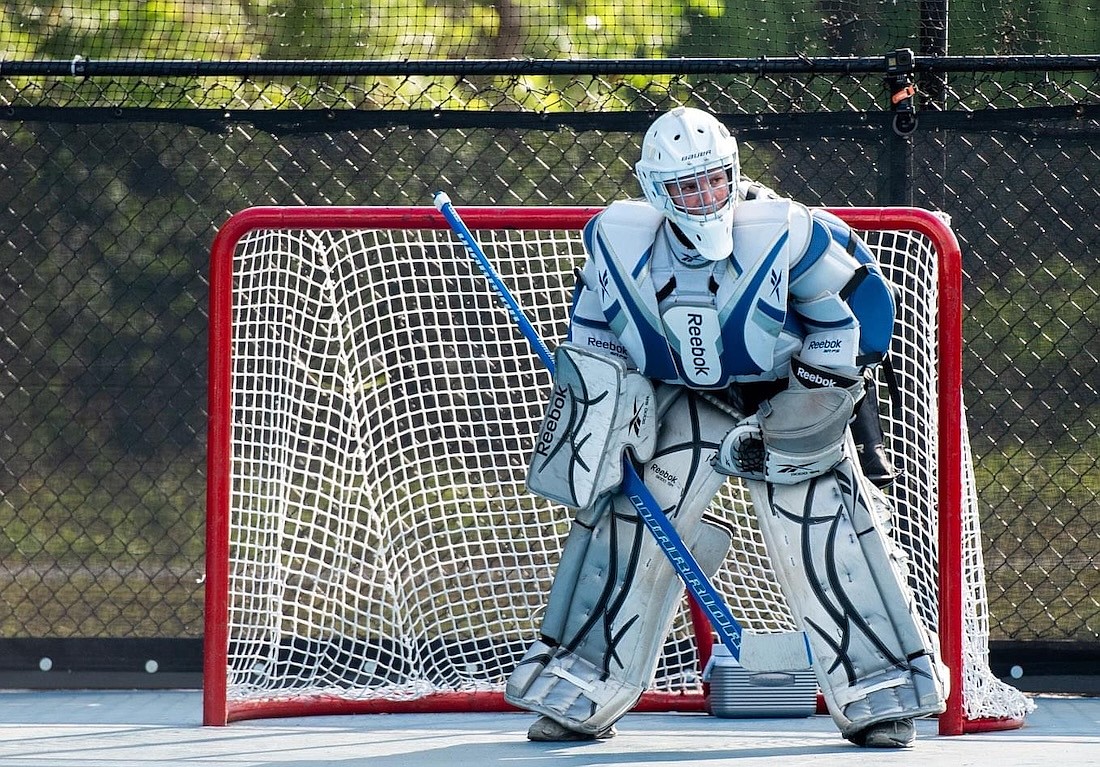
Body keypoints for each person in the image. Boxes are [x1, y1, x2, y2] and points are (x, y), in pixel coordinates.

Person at [503, 106, 947, 749]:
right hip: (677, 399)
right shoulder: (616, 238)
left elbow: (859, 319)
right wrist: (604, 404)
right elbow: (595, 332)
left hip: (784, 395)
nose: (704, 197)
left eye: (714, 180)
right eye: (687, 186)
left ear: (733, 171)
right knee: (626, 523)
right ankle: (582, 682)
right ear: (656, 189)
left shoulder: (787, 231)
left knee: (823, 529)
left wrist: (804, 412)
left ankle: (879, 691)